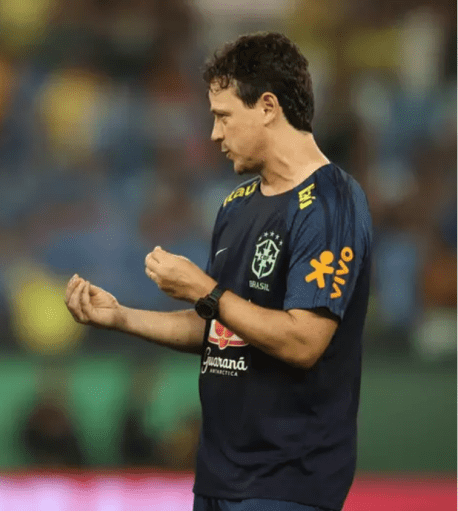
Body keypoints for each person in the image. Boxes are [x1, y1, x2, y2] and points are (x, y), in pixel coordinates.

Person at [65, 32, 371, 511]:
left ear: (267, 106)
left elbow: (303, 340)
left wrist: (206, 289)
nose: (214, 134)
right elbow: (220, 325)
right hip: (218, 478)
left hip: (288, 482)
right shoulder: (236, 205)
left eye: (223, 116)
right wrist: (120, 316)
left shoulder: (331, 201)